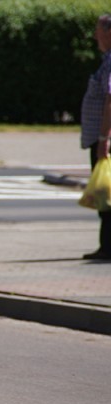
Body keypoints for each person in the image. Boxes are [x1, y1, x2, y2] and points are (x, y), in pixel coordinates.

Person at [80, 14, 111, 261]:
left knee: (105, 195)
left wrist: (104, 138)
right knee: (105, 194)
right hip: (102, 139)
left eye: (98, 31)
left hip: (106, 141)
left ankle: (108, 247)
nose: (95, 36)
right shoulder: (106, 60)